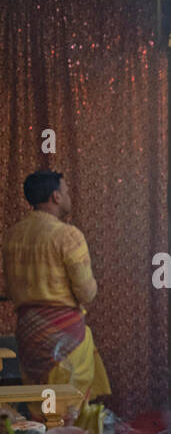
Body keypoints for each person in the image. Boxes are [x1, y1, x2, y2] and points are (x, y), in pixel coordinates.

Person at [1, 171, 110, 402]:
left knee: (40, 406)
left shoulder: (13, 236)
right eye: (66, 191)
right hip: (65, 338)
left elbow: (10, 290)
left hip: (29, 336)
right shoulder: (67, 235)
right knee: (68, 409)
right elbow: (86, 292)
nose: (69, 196)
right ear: (56, 196)